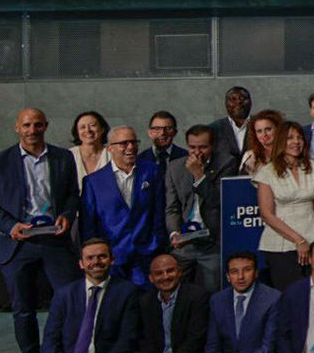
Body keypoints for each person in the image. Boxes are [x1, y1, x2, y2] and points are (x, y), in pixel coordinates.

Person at [0, 107, 81, 353]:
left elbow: (73, 195)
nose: (32, 130)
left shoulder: (63, 157)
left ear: (46, 126)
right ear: (17, 128)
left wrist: (67, 215)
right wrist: (10, 226)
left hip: (54, 241)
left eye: (37, 125)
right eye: (26, 125)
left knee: (71, 301)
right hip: (17, 243)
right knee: (23, 309)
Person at [81, 125, 166, 287]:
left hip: (146, 252)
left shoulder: (151, 172)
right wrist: (97, 255)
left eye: (134, 142)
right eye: (124, 143)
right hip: (112, 256)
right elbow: (89, 224)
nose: (131, 147)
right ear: (110, 148)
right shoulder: (93, 181)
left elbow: (159, 212)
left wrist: (155, 242)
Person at [255, 121, 314, 290]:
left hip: (313, 238)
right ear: (281, 141)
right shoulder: (267, 172)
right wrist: (298, 240)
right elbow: (266, 214)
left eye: (299, 137)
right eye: (290, 138)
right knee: (290, 295)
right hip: (279, 244)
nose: (296, 142)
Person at [165, 124, 236, 290]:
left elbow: (217, 201)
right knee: (173, 284)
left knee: (212, 289)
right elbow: (172, 208)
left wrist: (198, 174)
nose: (197, 153)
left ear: (213, 146)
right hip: (185, 241)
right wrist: (174, 233)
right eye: (192, 147)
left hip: (212, 241)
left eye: (203, 147)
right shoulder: (175, 167)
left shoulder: (226, 163)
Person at [209, 87, 253, 167]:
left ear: (250, 102)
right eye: (233, 99)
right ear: (226, 103)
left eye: (243, 99)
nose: (238, 102)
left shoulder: (261, 126)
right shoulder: (213, 128)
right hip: (224, 174)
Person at [72, 110, 112, 191]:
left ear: (102, 129)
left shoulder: (112, 154)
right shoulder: (69, 155)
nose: (88, 130)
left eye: (92, 125)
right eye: (82, 127)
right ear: (77, 132)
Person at [241, 109, 283, 176]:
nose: (264, 134)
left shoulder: (290, 153)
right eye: (259, 131)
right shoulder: (250, 156)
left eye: (268, 129)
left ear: (278, 129)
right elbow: (241, 181)